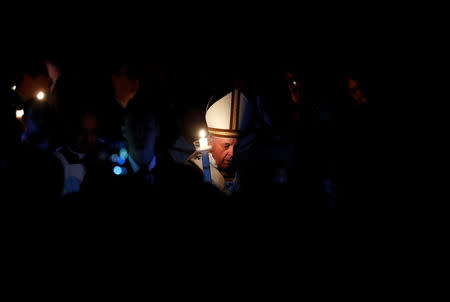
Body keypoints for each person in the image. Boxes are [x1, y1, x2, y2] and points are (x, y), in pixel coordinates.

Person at [185, 86, 256, 195]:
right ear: (210, 142)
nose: (232, 153)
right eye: (226, 146)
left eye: (236, 146)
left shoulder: (245, 166)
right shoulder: (192, 172)